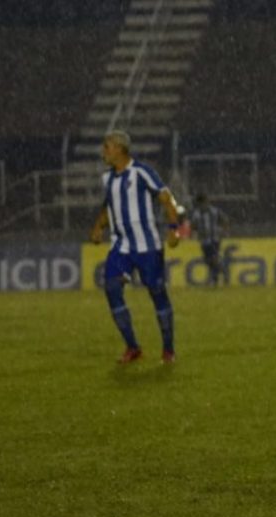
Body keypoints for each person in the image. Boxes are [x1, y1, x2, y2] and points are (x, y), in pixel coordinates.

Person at [89, 130, 181, 364]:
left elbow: (166, 198)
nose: (103, 152)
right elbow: (109, 206)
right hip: (121, 246)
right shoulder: (107, 178)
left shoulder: (142, 172)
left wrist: (174, 228)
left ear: (119, 149)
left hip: (147, 246)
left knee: (157, 294)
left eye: (107, 147)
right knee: (112, 288)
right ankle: (133, 347)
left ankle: (168, 349)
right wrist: (99, 227)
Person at [190, 193, 228, 286]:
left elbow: (224, 219)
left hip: (214, 239)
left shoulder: (214, 211)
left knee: (214, 258)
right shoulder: (197, 214)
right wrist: (196, 232)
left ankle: (222, 272)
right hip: (204, 240)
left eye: (203, 202)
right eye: (200, 203)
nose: (202, 205)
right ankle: (216, 277)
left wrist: (224, 230)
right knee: (208, 260)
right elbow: (193, 225)